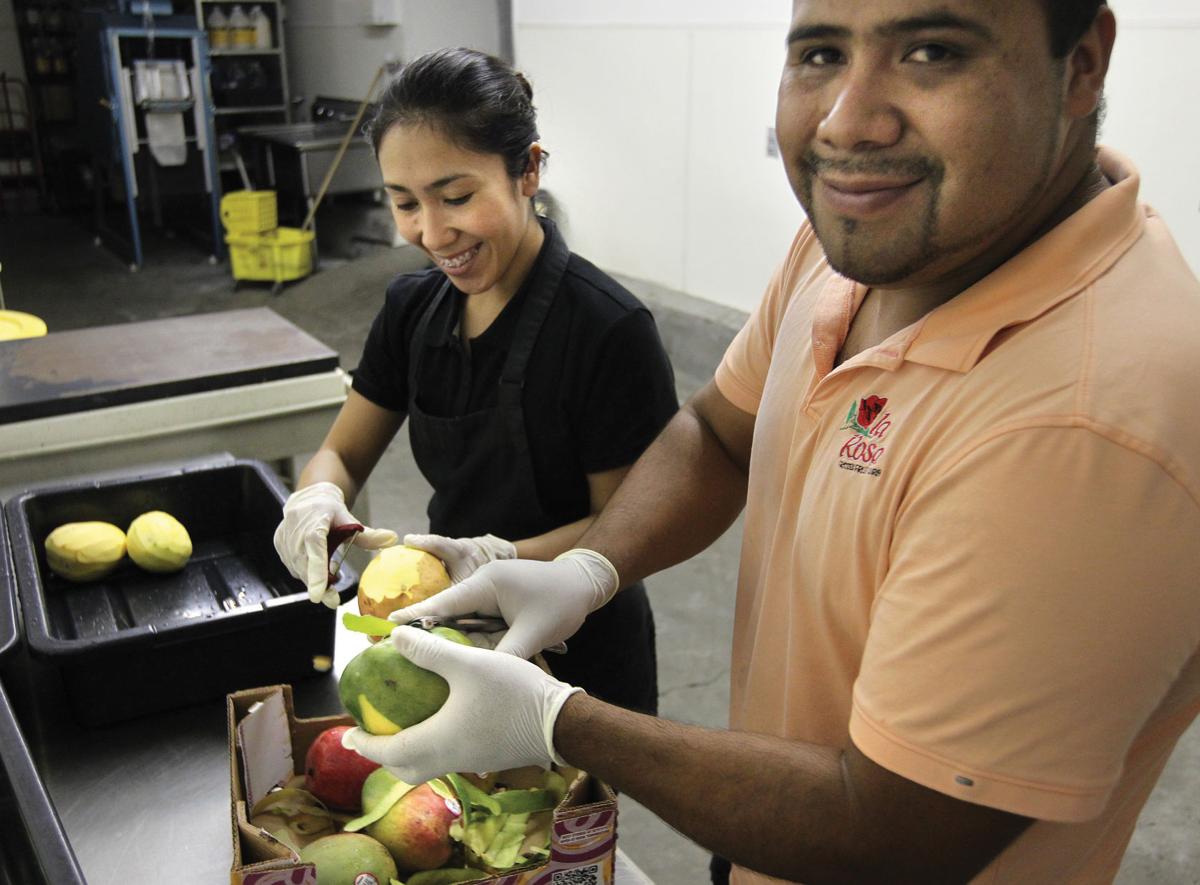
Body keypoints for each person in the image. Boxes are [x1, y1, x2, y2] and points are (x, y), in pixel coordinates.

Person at [344, 2, 1200, 883]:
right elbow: (720, 430)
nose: (846, 122)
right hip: (766, 826)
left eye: (933, 50)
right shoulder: (859, 247)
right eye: (822, 53)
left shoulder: (1089, 423)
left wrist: (556, 721)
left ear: (1083, 63)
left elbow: (894, 829)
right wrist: (588, 568)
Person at [273, 47, 678, 717]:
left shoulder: (607, 329)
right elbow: (343, 451)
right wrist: (317, 497)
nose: (433, 233)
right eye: (405, 204)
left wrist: (498, 558)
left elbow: (634, 528)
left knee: (543, 819)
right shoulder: (414, 310)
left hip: (577, 657)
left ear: (528, 169)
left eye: (456, 197)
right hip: (444, 635)